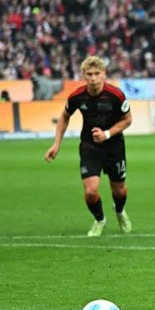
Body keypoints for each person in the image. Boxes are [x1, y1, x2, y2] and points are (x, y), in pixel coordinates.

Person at [44, 56, 133, 237]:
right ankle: (100, 220)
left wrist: (106, 134)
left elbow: (128, 119)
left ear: (103, 74)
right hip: (90, 147)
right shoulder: (77, 96)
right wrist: (56, 144)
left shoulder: (116, 95)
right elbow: (64, 117)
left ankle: (119, 211)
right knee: (91, 191)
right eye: (89, 74)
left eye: (97, 74)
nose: (93, 78)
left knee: (119, 190)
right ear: (83, 75)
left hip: (114, 146)